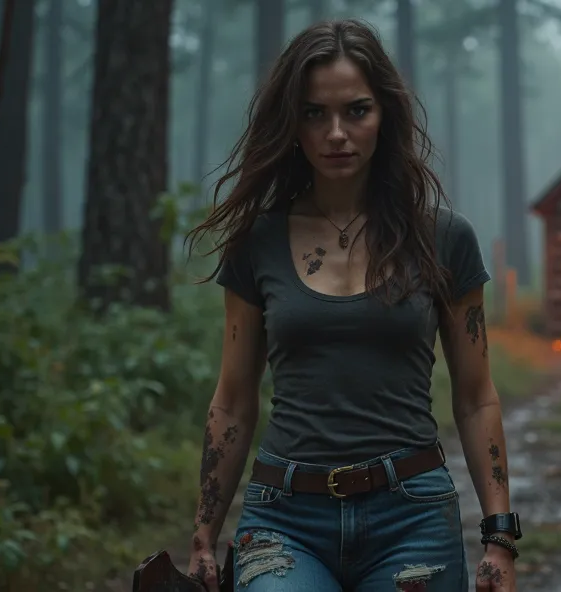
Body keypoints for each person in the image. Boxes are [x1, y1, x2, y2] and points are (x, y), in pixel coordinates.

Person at [183, 18, 522, 592]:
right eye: (315, 113)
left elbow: (474, 396)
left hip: (412, 515)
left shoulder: (444, 239)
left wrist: (499, 535)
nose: (335, 132)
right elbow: (234, 401)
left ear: (384, 115)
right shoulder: (257, 243)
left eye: (356, 110)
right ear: (293, 122)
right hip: (284, 518)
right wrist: (203, 537)